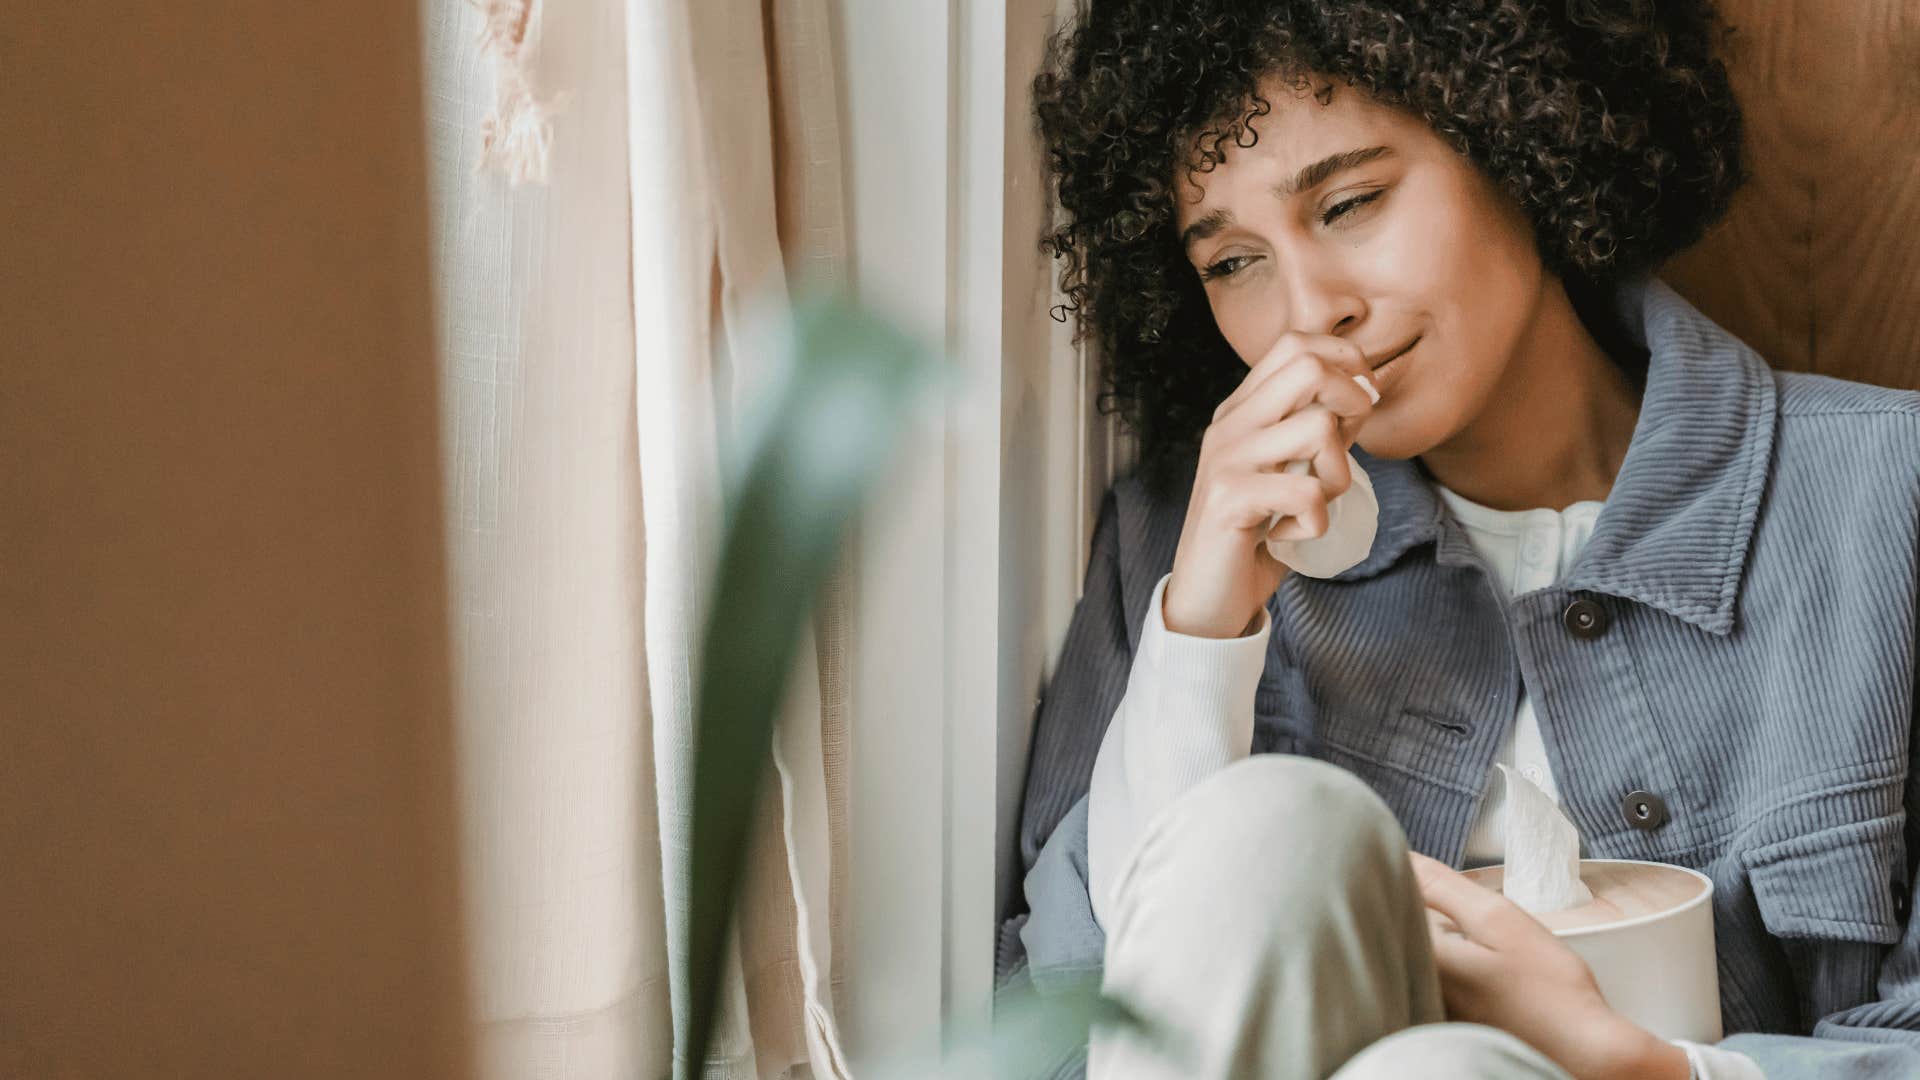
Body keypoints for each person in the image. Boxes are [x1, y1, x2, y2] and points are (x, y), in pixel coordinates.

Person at [999, 1, 1920, 1078]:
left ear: (1521, 137)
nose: (1309, 309)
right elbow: (1054, 1038)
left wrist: (1639, 1069)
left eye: (1349, 202)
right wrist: (1202, 638)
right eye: (1233, 263)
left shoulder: (1884, 496)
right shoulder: (1182, 539)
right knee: (1269, 832)